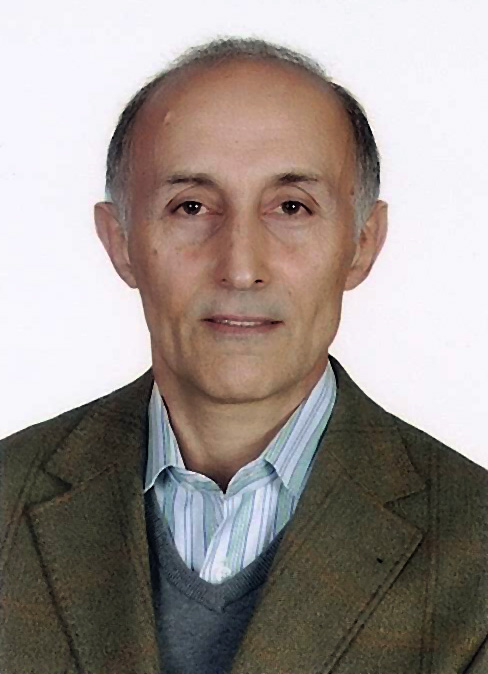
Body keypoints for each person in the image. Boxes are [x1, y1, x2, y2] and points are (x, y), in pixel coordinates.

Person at [0, 37, 486, 674]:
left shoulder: (475, 549)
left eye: (291, 207)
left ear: (362, 243)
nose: (240, 266)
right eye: (191, 207)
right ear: (120, 242)